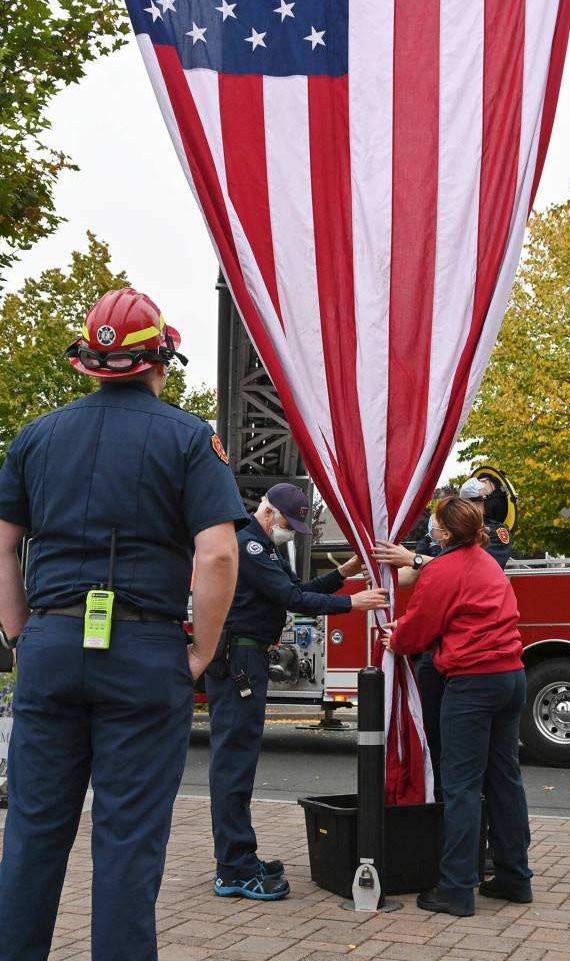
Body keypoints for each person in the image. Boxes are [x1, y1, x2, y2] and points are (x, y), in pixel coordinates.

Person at [0, 288, 248, 961]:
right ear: (161, 359)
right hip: (143, 647)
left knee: (31, 833)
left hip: (50, 640)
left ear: (86, 361)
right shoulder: (190, 438)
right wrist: (202, 646)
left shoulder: (36, 437)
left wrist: (20, 631)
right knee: (127, 843)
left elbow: (3, 541)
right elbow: (219, 552)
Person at [206, 483, 388, 901]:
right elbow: (293, 599)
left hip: (247, 661)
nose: (293, 531)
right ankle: (233, 867)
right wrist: (353, 605)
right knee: (234, 764)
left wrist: (342, 575)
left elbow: (302, 590)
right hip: (240, 662)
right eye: (291, 523)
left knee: (238, 762)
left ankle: (238, 855)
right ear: (268, 512)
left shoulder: (265, 547)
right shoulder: (250, 546)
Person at [382, 496, 532, 917]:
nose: (430, 526)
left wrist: (396, 637)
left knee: (462, 785)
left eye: (434, 522)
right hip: (511, 675)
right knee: (505, 779)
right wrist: (412, 629)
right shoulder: (485, 561)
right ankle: (514, 877)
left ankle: (456, 888)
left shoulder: (443, 569)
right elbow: (460, 616)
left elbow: (419, 631)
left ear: (445, 533)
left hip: (472, 682)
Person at [372, 475, 514, 789]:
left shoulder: (494, 536)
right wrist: (381, 568)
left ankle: (453, 827)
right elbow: (413, 578)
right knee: (495, 766)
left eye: (475, 500)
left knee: (461, 773)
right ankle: (503, 837)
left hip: (471, 667)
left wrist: (415, 559)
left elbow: (452, 572)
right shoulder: (448, 545)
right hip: (466, 661)